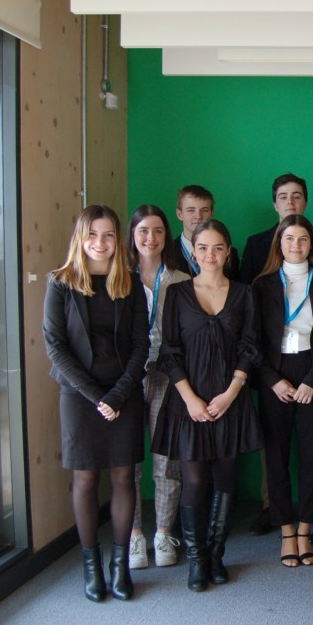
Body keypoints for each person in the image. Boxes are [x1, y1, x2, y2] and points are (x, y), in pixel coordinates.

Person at [43, 204, 149, 602]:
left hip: (124, 392)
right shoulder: (60, 283)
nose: (100, 243)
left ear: (116, 240)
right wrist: (95, 396)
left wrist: (117, 395)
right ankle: (92, 567)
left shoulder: (130, 282)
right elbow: (55, 346)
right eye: (92, 234)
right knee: (85, 478)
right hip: (79, 395)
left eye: (107, 235)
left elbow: (141, 345)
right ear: (80, 238)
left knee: (123, 477)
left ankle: (120, 566)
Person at [151, 219, 263, 591]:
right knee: (195, 480)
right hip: (188, 402)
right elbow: (169, 352)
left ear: (228, 251)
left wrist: (231, 393)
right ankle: (197, 559)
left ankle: (216, 554)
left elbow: (250, 347)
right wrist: (190, 399)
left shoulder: (244, 293)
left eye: (217, 248)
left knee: (226, 479)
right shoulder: (178, 293)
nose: (210, 255)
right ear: (193, 252)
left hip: (231, 399)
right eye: (203, 248)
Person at [253, 215, 313, 568]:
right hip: (275, 375)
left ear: (312, 244)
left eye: (303, 239)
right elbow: (253, 340)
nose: (296, 245)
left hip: (312, 372)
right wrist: (272, 380)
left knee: (312, 455)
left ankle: (306, 528)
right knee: (276, 456)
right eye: (289, 239)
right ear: (279, 243)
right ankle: (286, 530)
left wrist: (312, 381)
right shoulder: (262, 285)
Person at [126, 205, 189, 571]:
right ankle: (135, 534)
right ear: (133, 236)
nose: (151, 238)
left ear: (167, 236)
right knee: (129, 461)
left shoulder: (180, 280)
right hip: (129, 378)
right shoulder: (120, 277)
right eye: (143, 231)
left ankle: (163, 533)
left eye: (158, 231)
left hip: (167, 375)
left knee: (167, 461)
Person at [172, 185, 240, 279]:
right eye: (191, 210)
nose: (198, 216)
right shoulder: (167, 253)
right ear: (180, 214)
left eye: (204, 210)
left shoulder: (230, 254)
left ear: (212, 214)